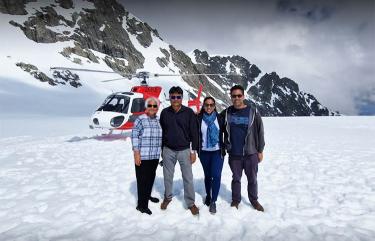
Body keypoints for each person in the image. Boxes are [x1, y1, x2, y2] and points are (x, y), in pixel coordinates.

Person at [221, 85, 265, 212]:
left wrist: (260, 150)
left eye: (239, 95)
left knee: (252, 179)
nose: (236, 98)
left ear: (243, 96)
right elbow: (214, 120)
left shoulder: (253, 111)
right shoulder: (227, 112)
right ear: (231, 97)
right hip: (234, 153)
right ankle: (236, 200)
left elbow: (260, 131)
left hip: (251, 153)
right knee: (236, 178)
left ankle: (254, 200)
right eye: (234, 96)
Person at [159, 86, 200, 216]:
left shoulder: (189, 113)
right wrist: (162, 150)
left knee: (188, 178)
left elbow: (194, 133)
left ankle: (190, 203)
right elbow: (162, 132)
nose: (175, 99)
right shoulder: (164, 113)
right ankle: (167, 197)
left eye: (178, 97)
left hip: (185, 150)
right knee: (167, 177)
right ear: (169, 98)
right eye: (173, 97)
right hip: (168, 150)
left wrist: (193, 152)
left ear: (182, 98)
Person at [131, 97, 162, 215]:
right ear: (146, 107)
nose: (152, 108)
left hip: (154, 155)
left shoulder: (159, 120)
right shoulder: (140, 119)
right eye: (150, 105)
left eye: (155, 106)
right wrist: (136, 153)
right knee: (142, 180)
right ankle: (141, 205)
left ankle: (147, 196)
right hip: (143, 155)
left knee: (150, 178)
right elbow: (134, 136)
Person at [197, 97, 226, 214]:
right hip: (204, 152)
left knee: (216, 175)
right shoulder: (198, 119)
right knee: (208, 175)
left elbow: (227, 131)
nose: (209, 107)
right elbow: (194, 134)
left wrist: (227, 145)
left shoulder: (219, 118)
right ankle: (208, 195)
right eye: (207, 105)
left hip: (217, 151)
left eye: (211, 105)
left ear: (215, 106)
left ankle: (213, 201)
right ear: (203, 106)